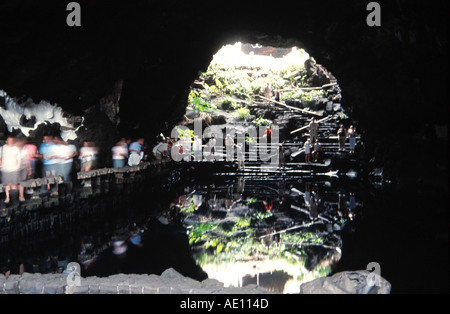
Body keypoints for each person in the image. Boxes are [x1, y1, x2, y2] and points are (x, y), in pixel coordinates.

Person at [0, 136, 25, 203]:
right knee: (7, 184)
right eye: (9, 140)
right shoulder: (2, 149)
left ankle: (14, 198)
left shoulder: (15, 148)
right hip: (5, 169)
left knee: (14, 184)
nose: (11, 142)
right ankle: (7, 197)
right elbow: (0, 158)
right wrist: (1, 166)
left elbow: (19, 158)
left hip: (14, 169)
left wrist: (17, 166)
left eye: (12, 141)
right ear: (6, 141)